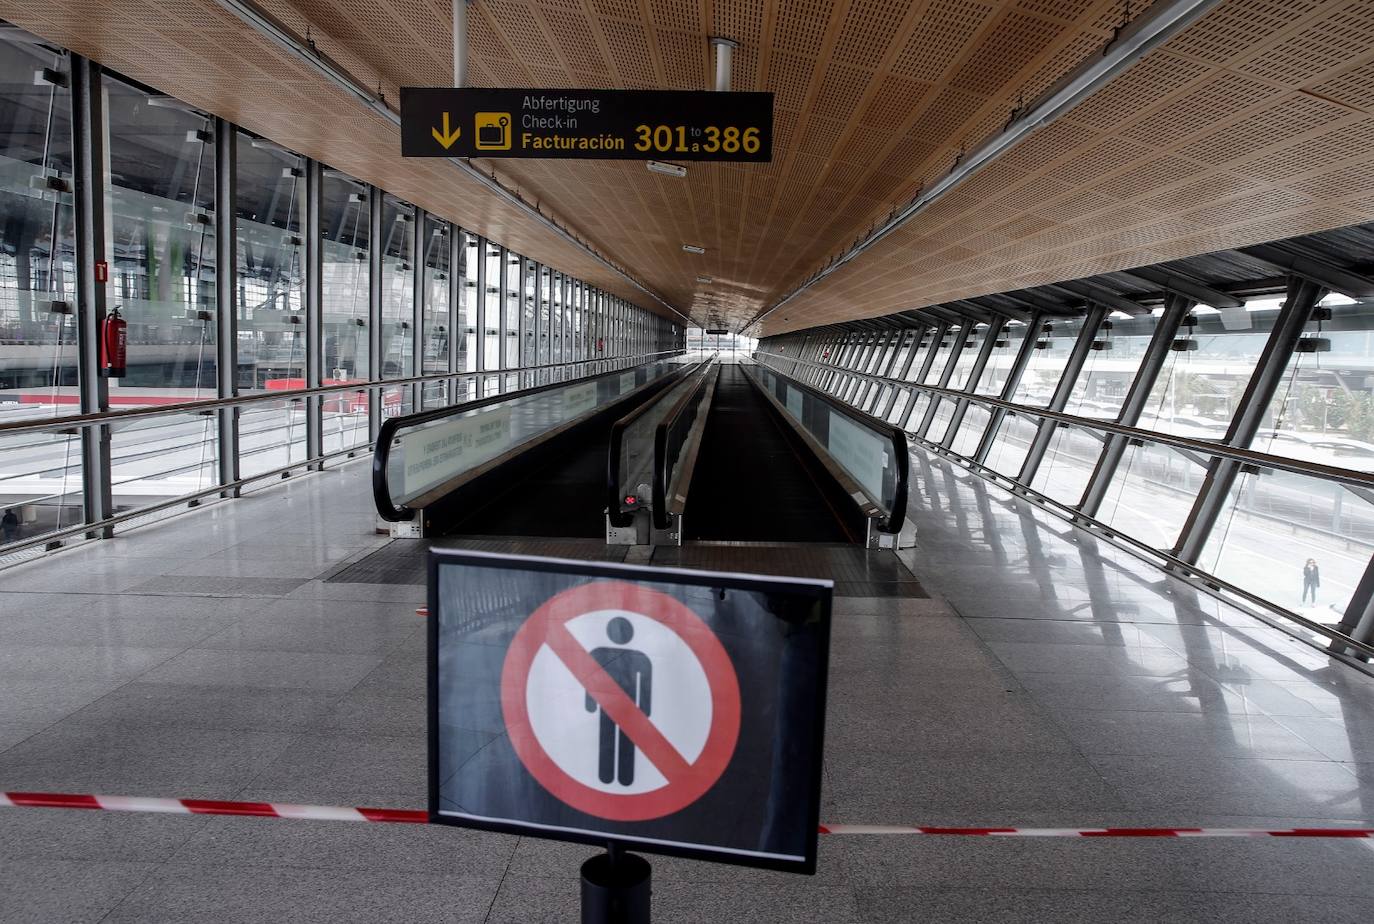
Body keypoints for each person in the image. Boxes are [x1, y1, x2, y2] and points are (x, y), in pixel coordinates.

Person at [584, 616, 652, 786]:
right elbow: (646, 684)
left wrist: (590, 704)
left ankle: (607, 777)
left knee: (607, 740)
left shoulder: (599, 653)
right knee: (623, 743)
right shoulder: (640, 657)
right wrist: (645, 709)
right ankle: (624, 778)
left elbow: (590, 679)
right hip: (627, 709)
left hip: (608, 707)